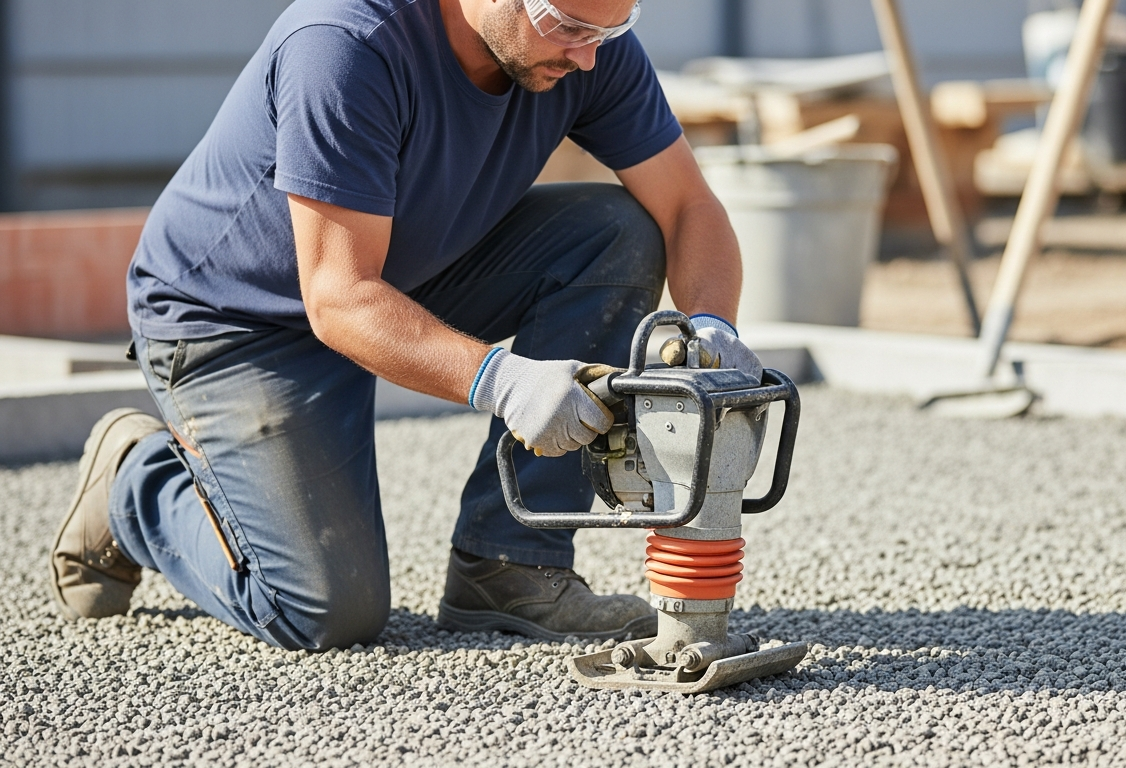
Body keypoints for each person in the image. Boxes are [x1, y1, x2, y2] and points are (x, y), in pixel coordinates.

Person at [48, 0, 763, 652]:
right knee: (326, 610)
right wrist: (502, 380)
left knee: (618, 233)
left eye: (609, 32)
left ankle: (509, 565)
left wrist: (709, 335)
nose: (588, 57)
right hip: (238, 323)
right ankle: (134, 480)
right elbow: (337, 297)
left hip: (395, 272)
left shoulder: (584, 40)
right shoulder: (345, 45)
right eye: (572, 28)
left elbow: (687, 209)